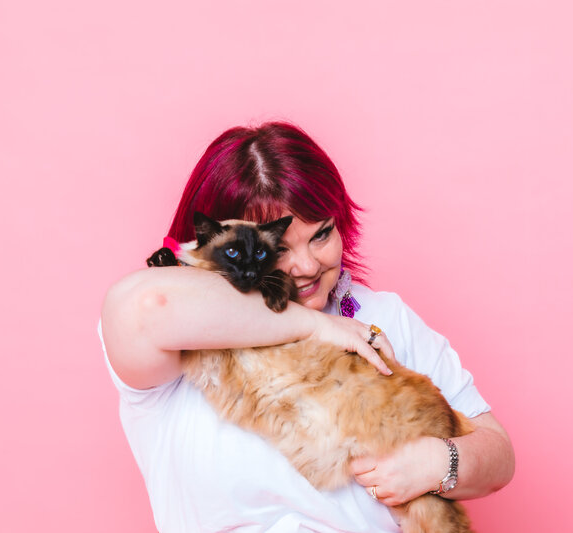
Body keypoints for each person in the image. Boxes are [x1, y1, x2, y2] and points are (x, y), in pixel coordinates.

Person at [99, 122, 514, 532]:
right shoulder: (178, 337)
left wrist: (436, 462)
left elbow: (498, 456)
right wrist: (314, 325)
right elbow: (146, 306)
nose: (307, 266)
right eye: (277, 247)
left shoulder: (382, 317)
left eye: (321, 235)